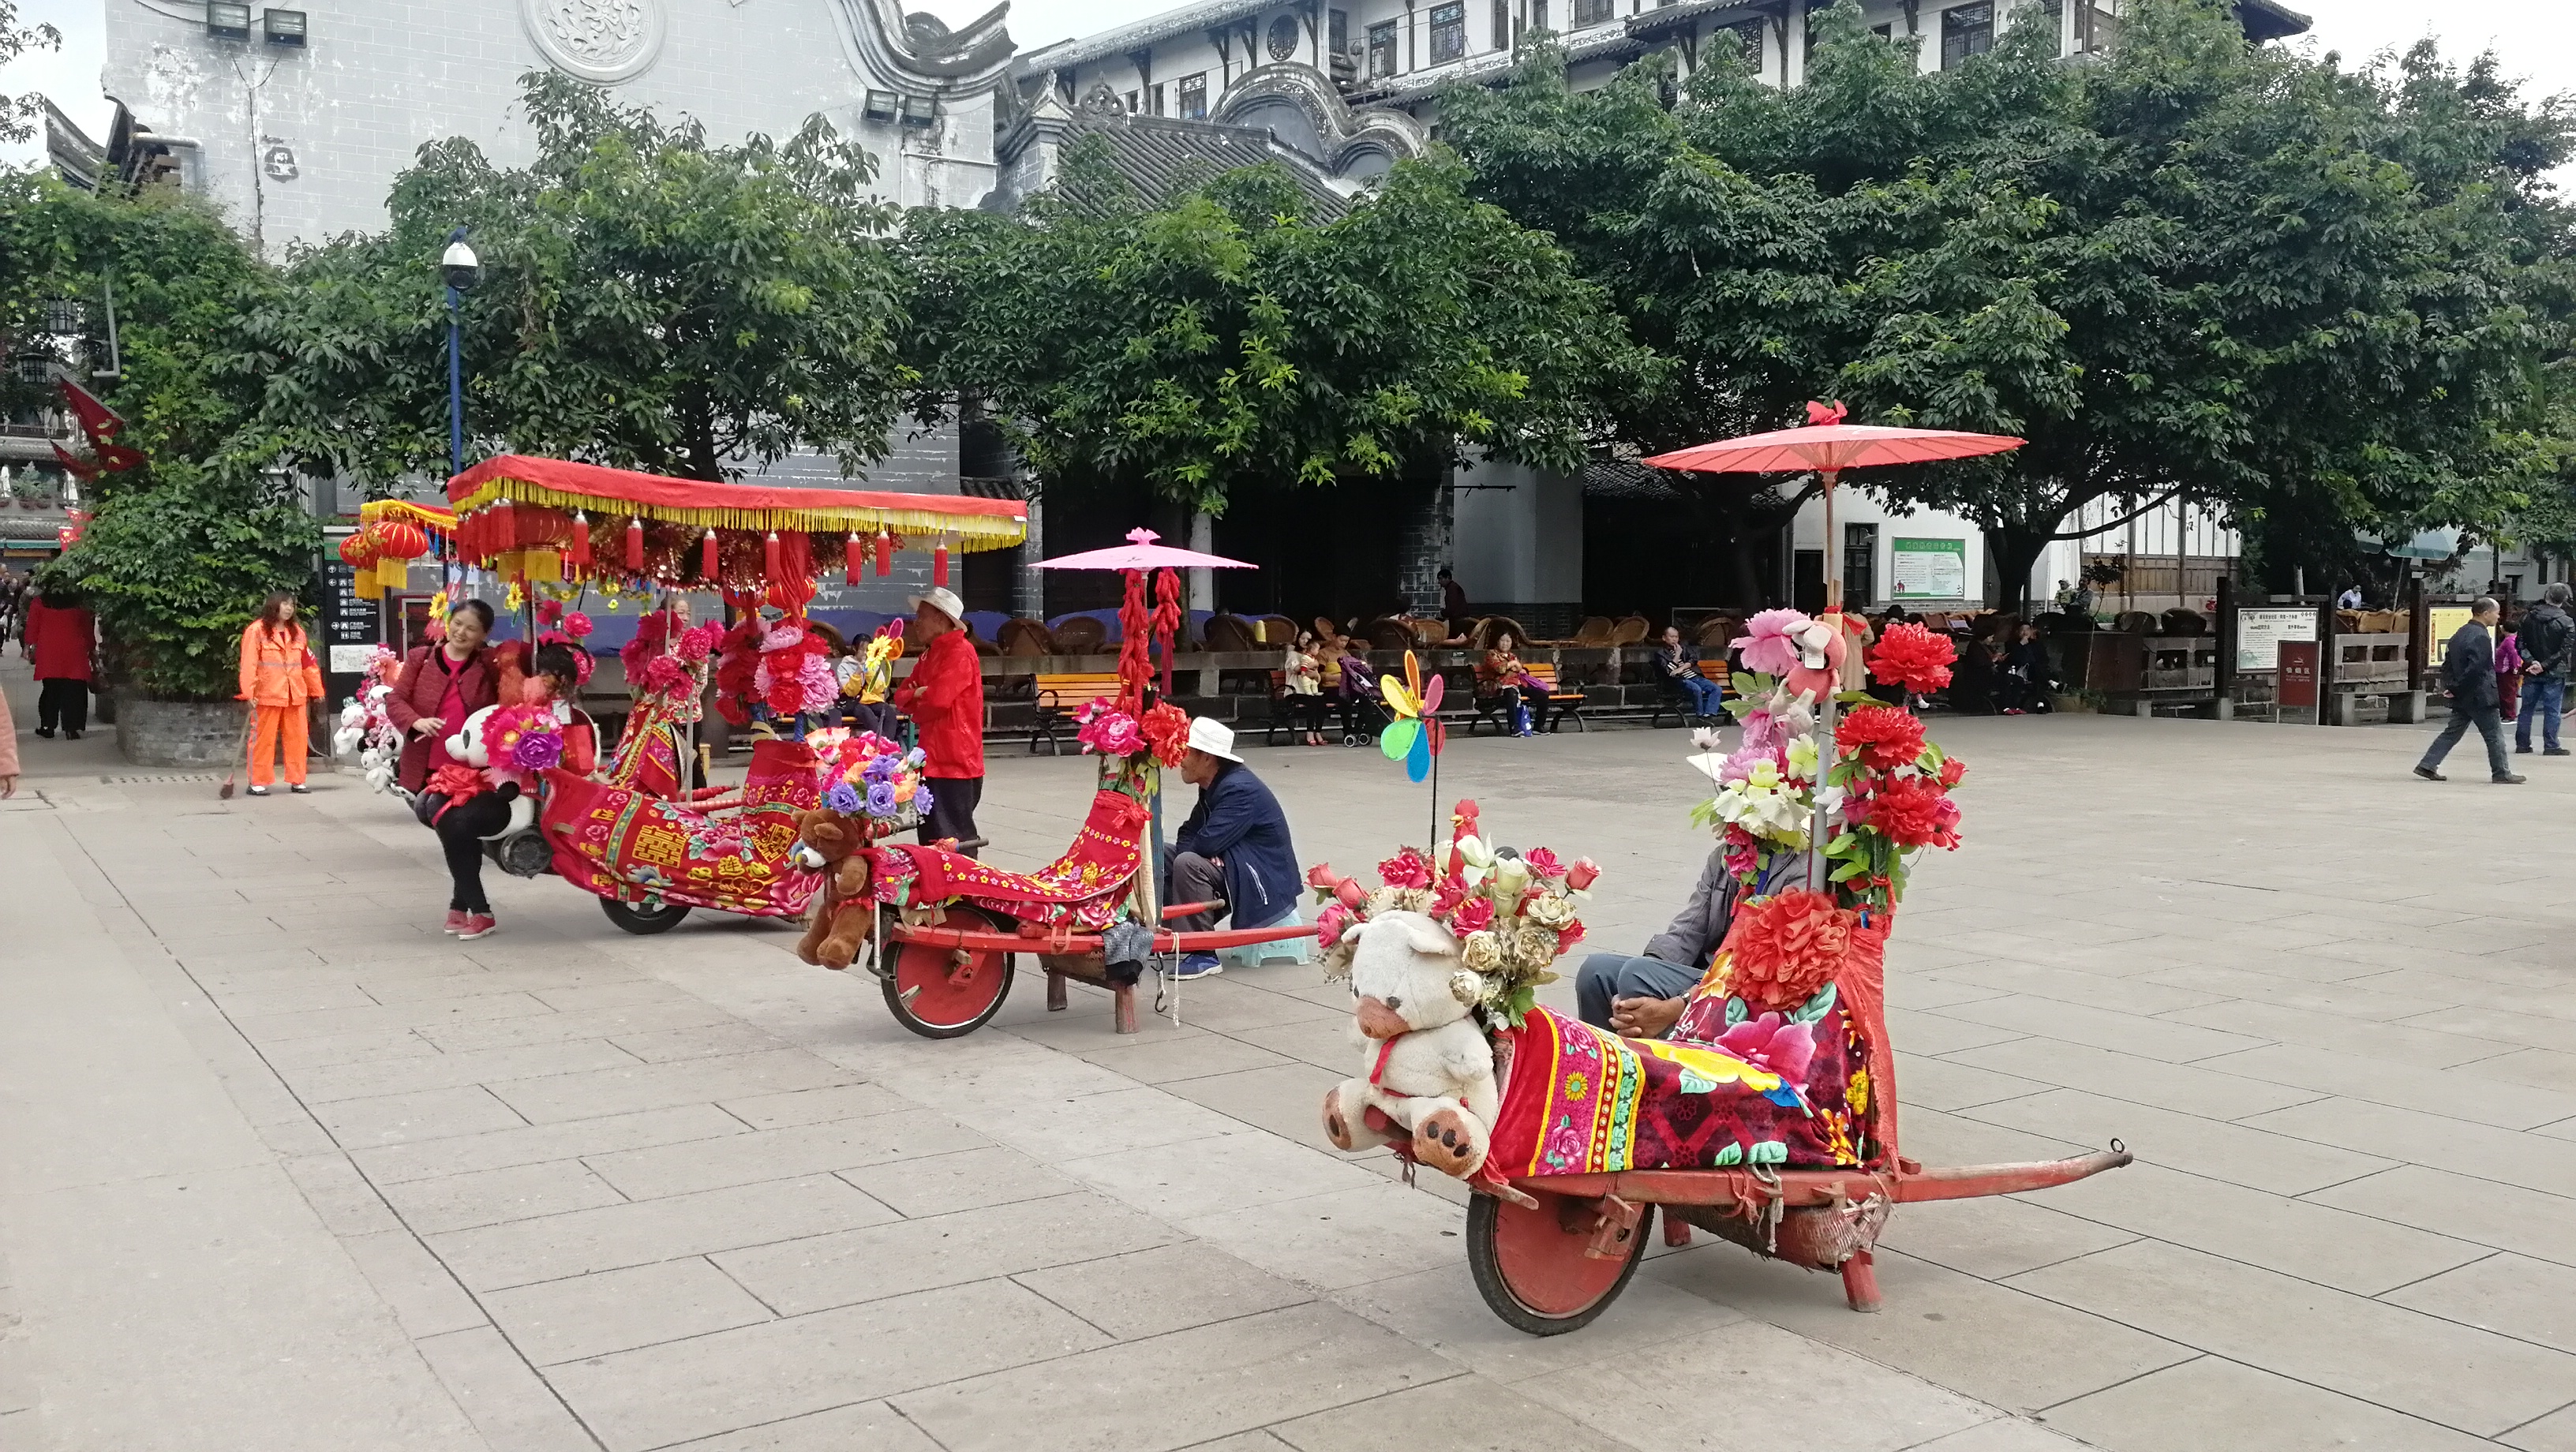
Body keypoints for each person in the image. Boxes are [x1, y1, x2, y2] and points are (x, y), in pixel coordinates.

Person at [425, 640, 599, 941]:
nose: (541, 680)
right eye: (540, 672)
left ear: (565, 680)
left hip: (529, 794)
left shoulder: (566, 715)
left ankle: (479, 911)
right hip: (501, 779)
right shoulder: (520, 703)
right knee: (441, 811)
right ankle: (462, 904)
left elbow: (575, 763)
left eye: (550, 674)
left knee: (457, 823)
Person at [1576, 848, 1813, 1036]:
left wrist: (1679, 1004)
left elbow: (1756, 970)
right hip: (1704, 973)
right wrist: (1649, 972)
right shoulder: (1726, 855)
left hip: (1747, 986)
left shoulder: (1803, 870)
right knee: (1596, 972)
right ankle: (1603, 1077)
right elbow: (1687, 930)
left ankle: (1649, 1082)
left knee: (1635, 975)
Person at [1166, 717, 1298, 979]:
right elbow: (1190, 832)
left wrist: (1210, 849)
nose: (1180, 759)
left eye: (1187, 752)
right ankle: (1173, 934)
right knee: (1162, 855)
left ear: (1207, 758)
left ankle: (1203, 952)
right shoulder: (1214, 784)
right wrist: (1206, 849)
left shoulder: (1238, 788)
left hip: (1262, 875)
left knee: (1189, 863)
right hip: (1235, 864)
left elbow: (1206, 842)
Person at [892, 586, 984, 856]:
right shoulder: (930, 653)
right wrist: (917, 695)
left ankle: (963, 890)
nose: (916, 623)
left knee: (953, 834)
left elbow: (937, 701)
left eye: (922, 616)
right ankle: (938, 889)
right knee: (932, 833)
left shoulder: (959, 652)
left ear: (942, 619)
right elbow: (902, 695)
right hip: (932, 756)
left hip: (955, 758)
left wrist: (917, 701)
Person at [387, 600, 502, 794]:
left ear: (485, 634)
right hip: (425, 763)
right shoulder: (421, 658)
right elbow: (395, 699)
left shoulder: (489, 663)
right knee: (433, 816)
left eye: (471, 628)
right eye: (457, 623)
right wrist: (416, 722)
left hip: (472, 764)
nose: (461, 632)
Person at [2417, 597, 2523, 784]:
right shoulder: (2481, 636)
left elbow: (2448, 663)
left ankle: (2428, 764)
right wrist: (2458, 687)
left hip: (2463, 694)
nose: (2498, 618)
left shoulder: (2461, 633)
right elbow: (2477, 669)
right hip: (2480, 694)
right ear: (2485, 613)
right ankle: (2501, 772)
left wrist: (2452, 686)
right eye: (2497, 613)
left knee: (2453, 732)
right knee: (2494, 735)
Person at [236, 592, 327, 796]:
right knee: (262, 739)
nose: (288, 608)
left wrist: (316, 689)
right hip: (267, 694)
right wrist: (248, 692)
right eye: (284, 604)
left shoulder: (297, 632)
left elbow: (308, 664)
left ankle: (298, 780)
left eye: (292, 605)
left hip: (295, 694)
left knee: (298, 739)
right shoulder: (257, 631)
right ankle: (257, 781)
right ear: (273, 606)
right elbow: (248, 663)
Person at [21, 586, 95, 739]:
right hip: (74, 650)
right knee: (74, 690)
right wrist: (91, 647)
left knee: (51, 689)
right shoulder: (79, 603)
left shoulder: (39, 602)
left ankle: (48, 726)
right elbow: (87, 627)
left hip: (49, 650)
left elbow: (32, 626)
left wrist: (28, 646)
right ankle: (71, 728)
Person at [2515, 582, 2574, 756]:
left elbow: (2520, 644)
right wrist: (2545, 665)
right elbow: (2565, 649)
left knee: (2526, 708)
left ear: (2547, 595)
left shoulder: (2527, 618)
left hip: (2531, 670)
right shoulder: (2566, 621)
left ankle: (2523, 744)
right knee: (2552, 709)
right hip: (2555, 671)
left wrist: (2533, 661)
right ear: (2564, 600)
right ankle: (2551, 745)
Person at [1480, 631, 1548, 738]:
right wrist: (1513, 664)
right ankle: (1514, 728)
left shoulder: (1512, 656)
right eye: (1502, 640)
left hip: (1516, 685)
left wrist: (1513, 665)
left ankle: (1538, 727)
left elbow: (1519, 669)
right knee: (1511, 694)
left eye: (1508, 641)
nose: (1505, 643)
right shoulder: (1491, 654)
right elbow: (1500, 669)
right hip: (1499, 687)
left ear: (1511, 643)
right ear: (1497, 641)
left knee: (1542, 695)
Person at [1658, 625, 1723, 720]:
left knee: (1716, 689)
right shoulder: (1660, 653)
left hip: (1694, 677)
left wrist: (1682, 668)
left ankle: (1708, 714)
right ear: (1664, 638)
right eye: (1671, 637)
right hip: (1678, 681)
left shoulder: (1684, 648)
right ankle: (1700, 715)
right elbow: (1669, 672)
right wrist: (1677, 655)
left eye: (1676, 637)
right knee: (1696, 689)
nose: (1674, 639)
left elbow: (1694, 659)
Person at [1995, 622, 2055, 716]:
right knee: (2039, 673)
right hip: (2019, 670)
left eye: (2027, 630)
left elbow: (2044, 659)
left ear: (2031, 631)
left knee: (2038, 669)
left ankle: (2040, 703)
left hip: (2033, 671)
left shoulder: (2037, 644)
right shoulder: (2012, 644)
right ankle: (2050, 686)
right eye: (2022, 630)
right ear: (2018, 632)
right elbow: (2012, 659)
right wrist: (2021, 645)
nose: (2025, 632)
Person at [1282, 629, 1326, 746]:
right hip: (1294, 692)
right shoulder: (1293, 654)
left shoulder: (1312, 657)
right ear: (1298, 639)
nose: (1305, 641)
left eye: (1308, 639)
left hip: (1308, 691)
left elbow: (1317, 679)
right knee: (1312, 701)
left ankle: (1318, 732)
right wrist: (1314, 665)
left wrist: (1316, 674)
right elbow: (1297, 669)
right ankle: (1309, 732)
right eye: (1303, 638)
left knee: (1321, 701)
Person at [1439, 566, 1471, 642]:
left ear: (1448, 578)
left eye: (1441, 579)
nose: (1439, 581)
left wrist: (1443, 613)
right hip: (1458, 620)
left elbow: (1452, 607)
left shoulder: (1452, 589)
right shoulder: (1453, 588)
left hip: (1458, 622)